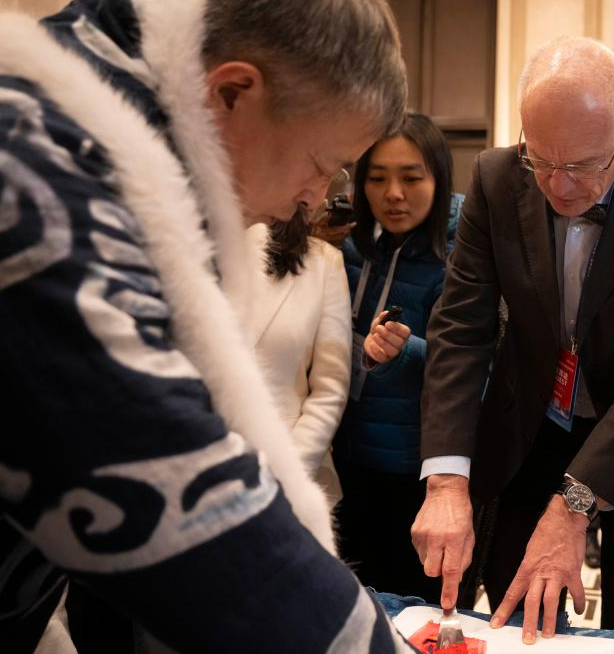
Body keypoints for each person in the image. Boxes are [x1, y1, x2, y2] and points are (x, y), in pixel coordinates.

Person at [0, 0, 413, 652]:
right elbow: (205, 532)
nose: (316, 197)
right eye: (320, 163)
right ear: (232, 94)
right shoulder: (33, 184)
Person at [412, 36, 614, 642]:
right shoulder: (495, 177)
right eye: (541, 160)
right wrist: (447, 480)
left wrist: (574, 506)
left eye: (583, 166)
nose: (558, 187)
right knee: (519, 617)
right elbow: (460, 328)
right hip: (535, 430)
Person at [332, 111, 455, 603]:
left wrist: (404, 352)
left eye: (411, 177)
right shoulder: (353, 249)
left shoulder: (462, 254)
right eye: (378, 178)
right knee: (351, 607)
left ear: (438, 179)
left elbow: (477, 368)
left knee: (415, 612)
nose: (394, 194)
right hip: (347, 462)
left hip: (418, 471)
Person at [248, 207, 352, 508]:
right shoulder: (187, 250)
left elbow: (330, 388)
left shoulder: (322, 262)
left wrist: (285, 475)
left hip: (286, 471)